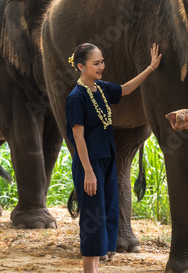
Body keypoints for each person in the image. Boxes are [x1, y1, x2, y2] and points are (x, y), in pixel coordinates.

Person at [65, 42, 162, 273]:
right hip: (90, 164)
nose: (101, 66)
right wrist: (88, 171)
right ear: (81, 66)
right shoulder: (76, 97)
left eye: (102, 61)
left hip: (108, 159)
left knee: (107, 212)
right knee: (92, 217)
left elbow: (126, 89)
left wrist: (150, 67)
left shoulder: (100, 88)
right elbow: (78, 137)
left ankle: (96, 268)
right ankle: (90, 270)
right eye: (96, 63)